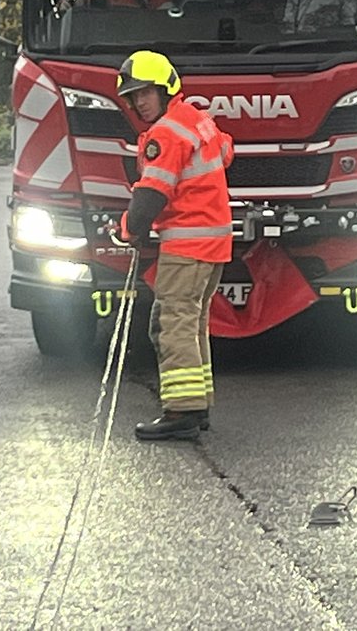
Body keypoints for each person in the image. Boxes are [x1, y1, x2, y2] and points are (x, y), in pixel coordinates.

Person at [114, 50, 234, 440]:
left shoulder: (166, 133)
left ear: (166, 89)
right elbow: (226, 152)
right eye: (133, 96)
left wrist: (130, 229)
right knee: (193, 323)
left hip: (187, 245)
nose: (139, 103)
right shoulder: (197, 120)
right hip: (213, 243)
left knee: (174, 323)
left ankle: (182, 412)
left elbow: (152, 191)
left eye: (146, 93)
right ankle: (198, 405)